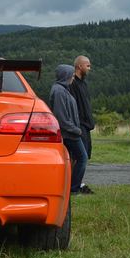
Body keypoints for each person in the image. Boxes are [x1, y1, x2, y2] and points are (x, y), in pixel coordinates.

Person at [49, 64, 88, 195]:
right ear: (65, 75)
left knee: (70, 160)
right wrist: (77, 130)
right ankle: (74, 188)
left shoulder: (63, 89)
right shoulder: (59, 91)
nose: (73, 77)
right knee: (82, 158)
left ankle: (67, 186)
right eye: (71, 74)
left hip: (70, 132)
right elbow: (61, 118)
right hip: (69, 134)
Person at [69, 55, 95, 194]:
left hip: (86, 125)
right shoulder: (72, 84)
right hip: (78, 126)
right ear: (79, 66)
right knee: (79, 156)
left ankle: (78, 183)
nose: (89, 68)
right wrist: (76, 125)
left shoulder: (83, 84)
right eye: (88, 65)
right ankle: (74, 186)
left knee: (84, 155)